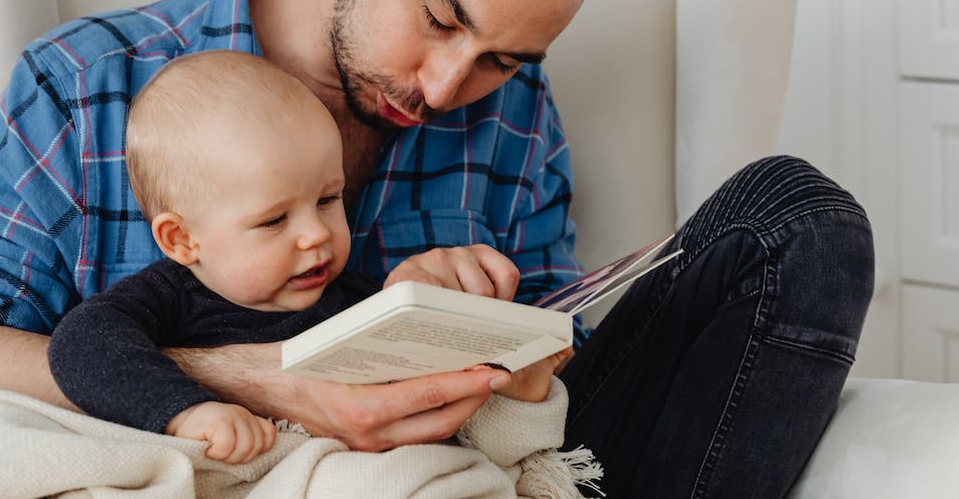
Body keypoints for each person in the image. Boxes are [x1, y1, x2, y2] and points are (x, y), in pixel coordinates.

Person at [0, 0, 873, 497]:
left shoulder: (512, 110)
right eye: (441, 17)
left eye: (500, 57)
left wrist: (503, 331)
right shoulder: (86, 85)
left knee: (796, 219)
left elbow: (547, 395)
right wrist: (266, 378)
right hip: (224, 472)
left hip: (466, 471)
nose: (444, 88)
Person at [44, 49, 589, 494]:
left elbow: (452, 428)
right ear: (182, 239)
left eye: (328, 200)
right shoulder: (166, 298)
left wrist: (518, 387)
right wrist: (186, 412)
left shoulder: (358, 301)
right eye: (275, 219)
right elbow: (79, 347)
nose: (315, 235)